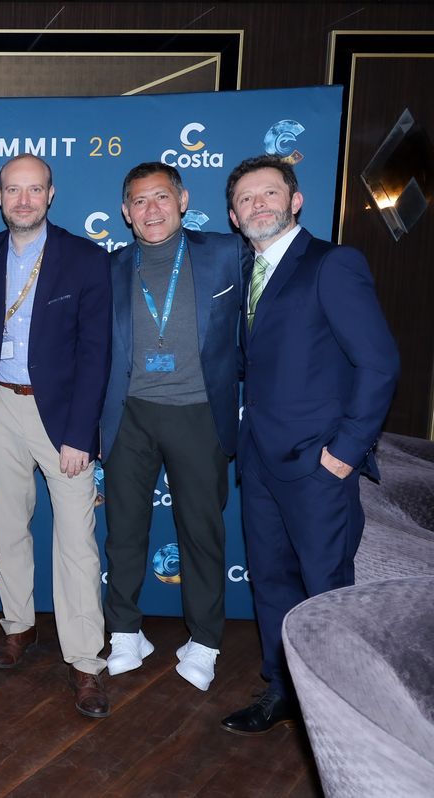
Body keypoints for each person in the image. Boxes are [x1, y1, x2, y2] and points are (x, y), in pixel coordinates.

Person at [221, 155, 399, 735]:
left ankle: (339, 713)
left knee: (325, 590)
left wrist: (344, 452)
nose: (258, 205)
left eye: (270, 193)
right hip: (260, 460)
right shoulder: (246, 272)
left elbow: (379, 363)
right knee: (271, 581)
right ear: (233, 215)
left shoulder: (331, 263)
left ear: (296, 201)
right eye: (246, 199)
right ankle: (283, 689)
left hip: (319, 464)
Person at [0, 154, 113, 718]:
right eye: (13, 190)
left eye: (34, 190)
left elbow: (96, 352)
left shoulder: (85, 257)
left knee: (76, 541)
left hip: (63, 417)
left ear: (51, 195)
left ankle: (85, 660)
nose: (23, 200)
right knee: (7, 528)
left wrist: (81, 433)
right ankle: (18, 626)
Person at [98, 162, 248, 691]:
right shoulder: (110, 267)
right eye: (139, 201)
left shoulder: (227, 254)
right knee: (123, 533)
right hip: (129, 416)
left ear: (183, 200)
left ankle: (205, 641)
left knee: (202, 534)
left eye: (161, 197)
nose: (151, 210)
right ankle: (124, 633)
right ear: (126, 212)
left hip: (199, 414)